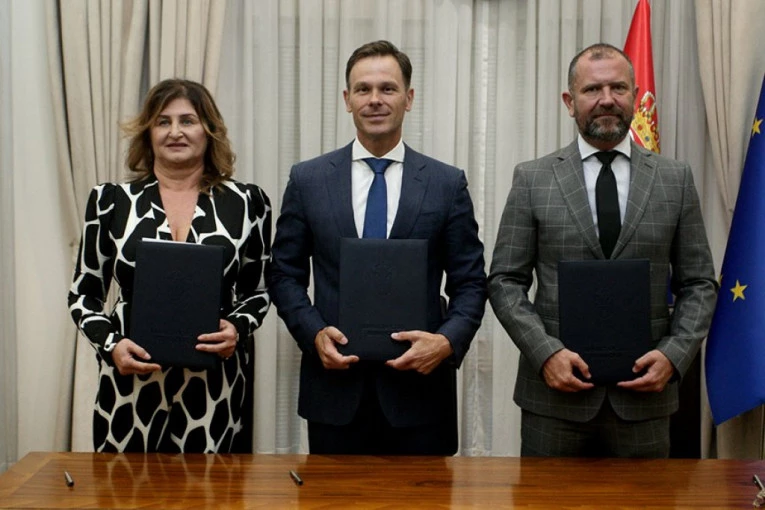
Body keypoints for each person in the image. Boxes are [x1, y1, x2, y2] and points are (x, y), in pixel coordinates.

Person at [488, 43, 718, 458]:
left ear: (636, 96)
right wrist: (546, 353)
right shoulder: (533, 179)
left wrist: (674, 355)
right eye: (592, 89)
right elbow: (505, 281)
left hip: (644, 401)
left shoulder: (675, 179)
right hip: (554, 401)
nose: (607, 99)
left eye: (618, 88)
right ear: (569, 101)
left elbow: (699, 283)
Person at [266, 40, 487, 455]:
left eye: (387, 88)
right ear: (347, 100)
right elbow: (283, 274)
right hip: (335, 394)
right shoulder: (308, 180)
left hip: (421, 395)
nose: (375, 100)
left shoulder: (445, 183)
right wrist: (314, 334)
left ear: (409, 98)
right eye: (363, 89)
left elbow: (471, 282)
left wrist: (445, 342)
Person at [68, 79, 271, 453]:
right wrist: (111, 345)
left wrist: (237, 328)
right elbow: (83, 295)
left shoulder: (247, 202)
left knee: (208, 487)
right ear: (148, 132)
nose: (175, 132)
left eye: (188, 120)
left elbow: (258, 292)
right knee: (124, 486)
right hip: (129, 385)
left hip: (213, 387)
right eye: (163, 122)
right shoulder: (110, 201)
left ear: (209, 130)